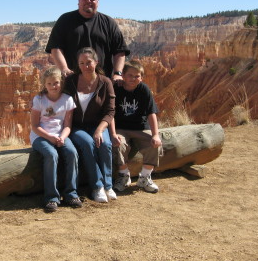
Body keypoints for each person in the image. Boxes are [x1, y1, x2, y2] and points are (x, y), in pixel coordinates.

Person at [63, 47, 117, 203]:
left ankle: (108, 185)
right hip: (76, 126)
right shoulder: (71, 81)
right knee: (87, 143)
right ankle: (97, 186)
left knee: (105, 144)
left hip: (97, 125)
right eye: (82, 63)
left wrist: (100, 130)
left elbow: (110, 111)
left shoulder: (105, 82)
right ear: (78, 65)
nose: (85, 66)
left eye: (89, 62)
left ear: (96, 62)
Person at [45, 0, 130, 80]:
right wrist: (64, 69)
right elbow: (56, 48)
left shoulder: (108, 22)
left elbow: (119, 51)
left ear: (97, 2)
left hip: (102, 83)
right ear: (78, 1)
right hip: (72, 81)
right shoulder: (65, 20)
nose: (88, 1)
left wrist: (118, 73)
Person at [30, 66, 82, 212]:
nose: (53, 86)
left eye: (56, 83)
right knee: (51, 155)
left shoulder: (68, 100)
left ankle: (71, 194)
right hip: (40, 136)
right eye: (50, 84)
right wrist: (50, 137)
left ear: (61, 82)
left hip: (60, 135)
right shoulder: (39, 100)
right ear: (44, 85)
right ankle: (51, 197)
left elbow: (67, 125)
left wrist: (62, 137)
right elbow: (34, 126)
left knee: (72, 153)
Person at [110, 60, 162, 193]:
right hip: (122, 128)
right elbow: (111, 113)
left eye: (137, 76)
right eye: (130, 75)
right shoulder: (117, 89)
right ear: (123, 76)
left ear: (142, 77)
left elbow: (151, 113)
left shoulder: (143, 89)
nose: (133, 79)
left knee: (154, 143)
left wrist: (155, 134)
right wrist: (113, 133)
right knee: (117, 144)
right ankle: (124, 175)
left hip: (140, 127)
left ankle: (145, 177)